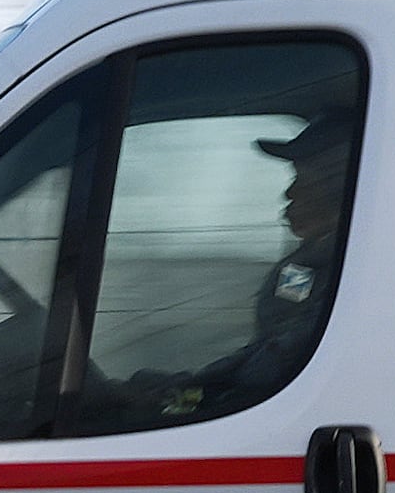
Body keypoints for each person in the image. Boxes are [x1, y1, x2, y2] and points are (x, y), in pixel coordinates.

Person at [94, 110, 355, 426]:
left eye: (303, 179)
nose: (288, 194)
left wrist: (191, 396)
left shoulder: (350, 280)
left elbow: (273, 367)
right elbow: (265, 349)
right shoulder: (306, 265)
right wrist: (180, 390)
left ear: (339, 186)